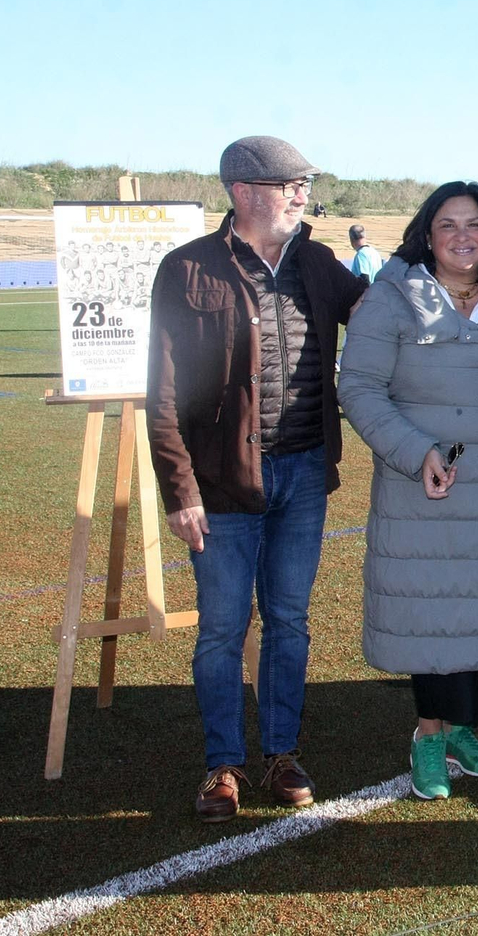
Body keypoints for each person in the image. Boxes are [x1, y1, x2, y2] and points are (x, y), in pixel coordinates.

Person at [145, 136, 365, 822]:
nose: (302, 194)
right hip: (220, 485)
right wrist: (181, 492)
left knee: (290, 621)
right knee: (220, 627)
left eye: (304, 184)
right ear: (244, 192)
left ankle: (280, 752)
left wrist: (450, 259)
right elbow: (162, 393)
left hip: (302, 475)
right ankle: (223, 765)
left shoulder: (320, 264)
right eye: (289, 183)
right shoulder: (186, 270)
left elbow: (382, 314)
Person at [338, 182, 478, 801]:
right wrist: (418, 452)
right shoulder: (392, 298)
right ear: (426, 233)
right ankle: (429, 736)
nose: (462, 237)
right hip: (423, 484)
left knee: (471, 607)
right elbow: (358, 388)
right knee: (429, 610)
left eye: (474, 225)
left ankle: (462, 728)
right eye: (448, 225)